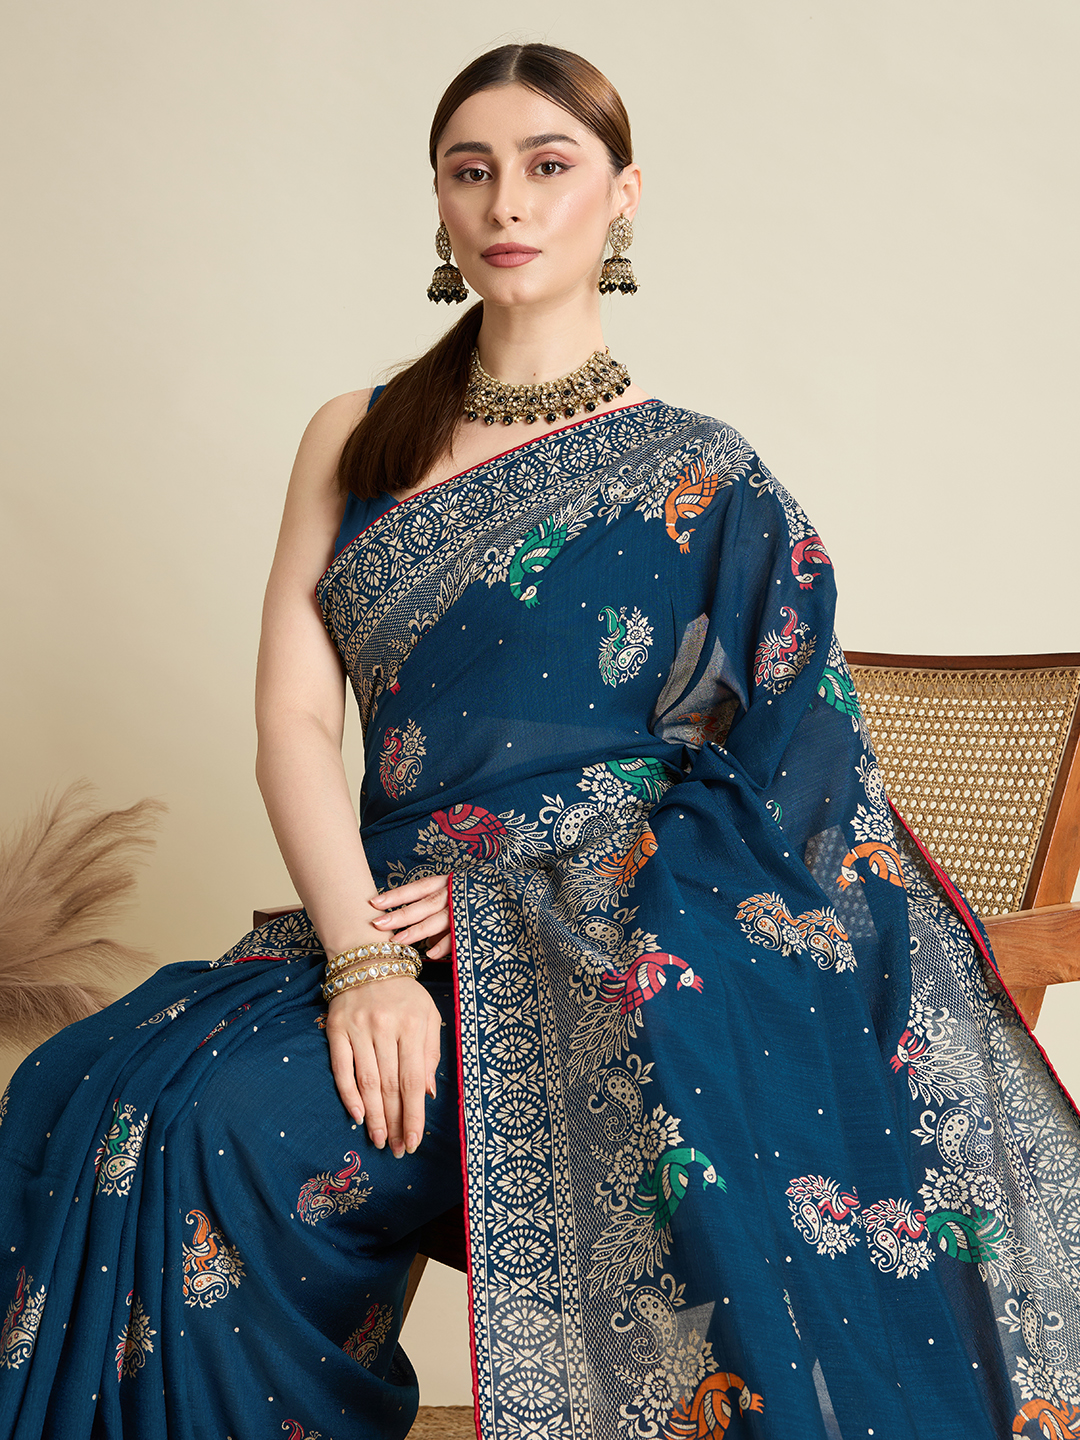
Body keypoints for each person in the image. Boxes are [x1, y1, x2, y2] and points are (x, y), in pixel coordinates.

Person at [1, 40, 1078, 1440]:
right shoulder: (357, 436)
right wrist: (365, 962)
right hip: (375, 926)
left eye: (548, 165)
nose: (507, 201)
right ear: (439, 203)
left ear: (621, 195)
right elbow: (293, 720)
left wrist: (519, 899)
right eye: (472, 170)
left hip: (596, 951)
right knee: (91, 1091)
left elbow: (788, 780)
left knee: (236, 1133)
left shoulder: (706, 477)